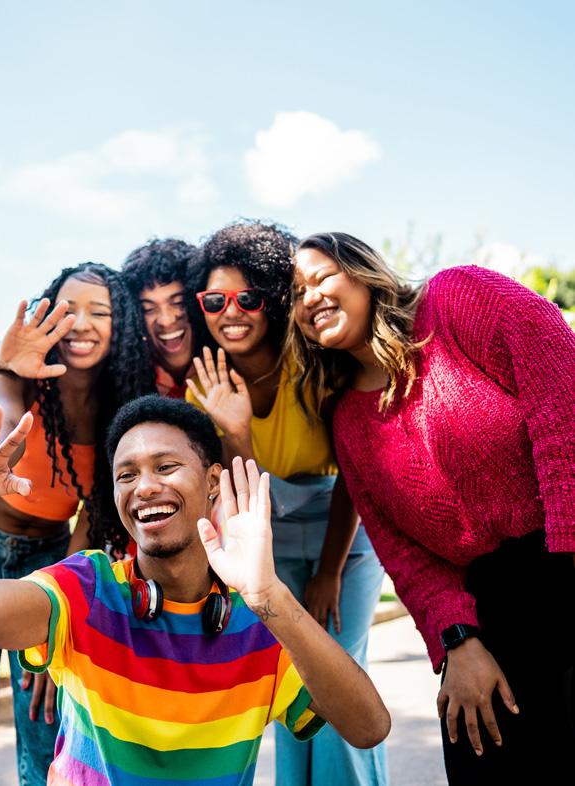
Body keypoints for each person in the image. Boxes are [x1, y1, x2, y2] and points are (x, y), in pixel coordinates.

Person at [0, 395, 390, 786]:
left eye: (166, 466)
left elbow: (368, 727)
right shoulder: (87, 588)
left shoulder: (264, 620)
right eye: (126, 474)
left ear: (213, 483)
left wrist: (269, 598)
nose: (144, 486)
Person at [287, 231, 575, 784]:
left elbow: (562, 403)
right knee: (474, 740)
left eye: (321, 277)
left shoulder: (457, 297)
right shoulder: (348, 422)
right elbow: (404, 556)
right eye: (296, 295)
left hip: (561, 551)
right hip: (486, 606)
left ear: (364, 271)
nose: (310, 299)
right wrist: (457, 643)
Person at [0, 262, 155, 785]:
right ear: (48, 316)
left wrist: (70, 600)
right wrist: (3, 441)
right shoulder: (20, 371)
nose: (83, 324)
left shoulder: (122, 404)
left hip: (50, 556)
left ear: (122, 328)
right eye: (68, 310)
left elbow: (94, 514)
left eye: (101, 312)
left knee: (47, 715)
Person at [185, 220, 388, 786]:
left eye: (247, 298)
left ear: (271, 301)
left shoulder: (315, 362)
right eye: (215, 299)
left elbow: (354, 472)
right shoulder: (204, 384)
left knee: (335, 678)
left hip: (341, 532)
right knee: (293, 679)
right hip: (264, 528)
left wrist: (328, 571)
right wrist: (237, 433)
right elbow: (240, 494)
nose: (232, 311)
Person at [122, 237, 198, 398]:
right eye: (148, 309)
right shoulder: (124, 381)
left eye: (179, 302)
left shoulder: (235, 367)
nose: (166, 320)